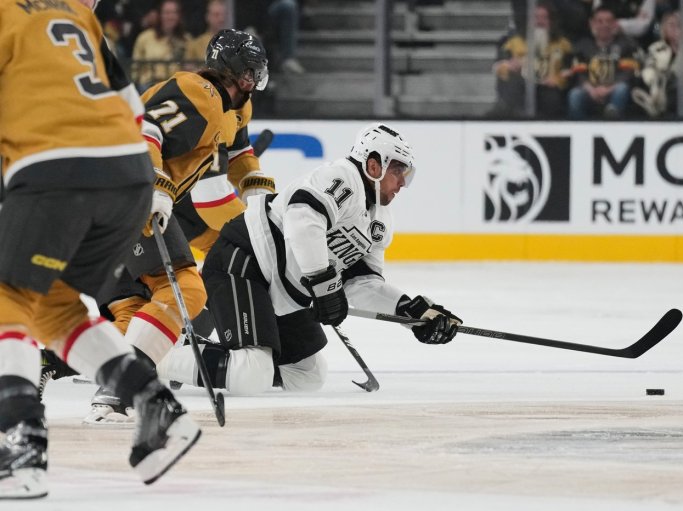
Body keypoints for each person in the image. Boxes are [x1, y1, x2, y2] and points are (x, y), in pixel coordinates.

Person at [0, 0, 200, 499]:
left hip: (57, 171)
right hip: (129, 175)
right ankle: (156, 406)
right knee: (53, 307)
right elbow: (134, 109)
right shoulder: (75, 15)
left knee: (8, 299)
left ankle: (21, 447)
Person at [156, 124, 463, 396]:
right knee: (251, 373)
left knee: (307, 375)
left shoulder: (380, 220)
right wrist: (324, 283)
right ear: (374, 165)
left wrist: (410, 311)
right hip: (245, 261)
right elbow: (303, 218)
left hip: (283, 293)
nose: (402, 183)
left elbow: (362, 282)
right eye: (398, 171)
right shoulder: (343, 177)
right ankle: (152, 357)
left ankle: (210, 358)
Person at [85, 29, 273, 423]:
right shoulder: (198, 93)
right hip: (127, 188)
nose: (255, 79)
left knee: (138, 308)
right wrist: (155, 183)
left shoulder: (236, 107)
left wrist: (255, 187)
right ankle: (121, 387)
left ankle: (77, 369)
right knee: (187, 289)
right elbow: (145, 129)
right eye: (250, 71)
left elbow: (238, 151)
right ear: (234, 70)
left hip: (118, 193)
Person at [488, 1, 573, 118]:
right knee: (513, 87)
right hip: (521, 87)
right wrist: (509, 65)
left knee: (552, 97)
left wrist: (557, 80)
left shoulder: (563, 44)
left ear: (551, 21)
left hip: (549, 90)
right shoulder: (514, 42)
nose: (540, 22)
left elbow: (570, 70)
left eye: (544, 18)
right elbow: (498, 68)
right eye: (536, 17)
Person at [632, 10, 683, 117]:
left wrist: (681, 46)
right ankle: (654, 103)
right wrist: (654, 80)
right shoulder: (656, 48)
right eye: (671, 25)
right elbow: (648, 68)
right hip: (660, 87)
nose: (676, 28)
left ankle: (657, 107)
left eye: (680, 24)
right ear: (664, 29)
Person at [567, 6, 640, 119]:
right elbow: (579, 73)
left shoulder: (626, 45)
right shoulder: (583, 46)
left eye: (608, 21)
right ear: (592, 24)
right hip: (589, 92)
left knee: (622, 89)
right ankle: (579, 128)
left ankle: (612, 122)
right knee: (575, 95)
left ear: (615, 24)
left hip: (614, 91)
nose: (604, 25)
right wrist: (591, 90)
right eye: (600, 21)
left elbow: (628, 74)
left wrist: (608, 89)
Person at [132, 0, 190, 91]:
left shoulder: (186, 40)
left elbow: (191, 66)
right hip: (149, 86)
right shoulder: (145, 37)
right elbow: (135, 68)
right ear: (159, 15)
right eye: (167, 13)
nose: (170, 17)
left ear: (179, 16)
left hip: (176, 87)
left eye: (174, 13)